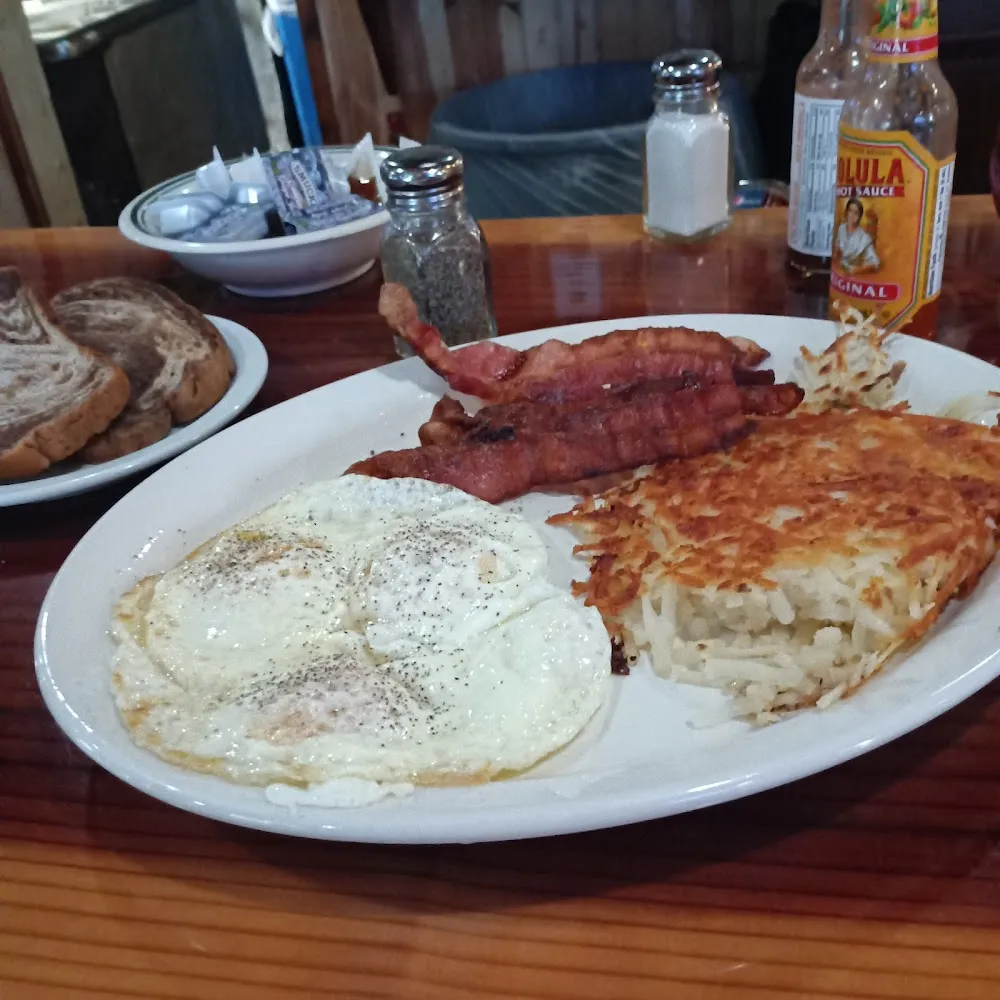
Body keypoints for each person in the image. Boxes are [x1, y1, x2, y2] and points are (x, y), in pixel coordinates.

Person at [834, 197, 880, 274]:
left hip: (854, 274)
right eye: (850, 211)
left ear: (860, 217)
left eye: (856, 213)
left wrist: (855, 270)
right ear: (846, 212)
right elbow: (838, 249)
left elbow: (875, 263)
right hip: (839, 272)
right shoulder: (841, 228)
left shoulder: (864, 238)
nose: (852, 215)